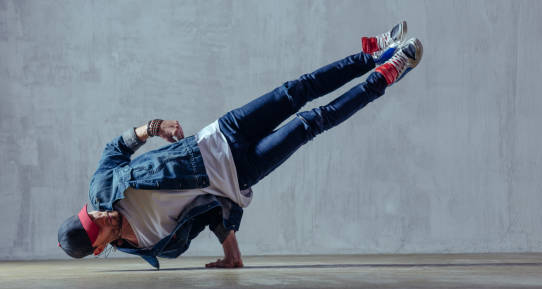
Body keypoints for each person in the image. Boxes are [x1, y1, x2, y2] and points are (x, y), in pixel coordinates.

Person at [58, 21, 423, 269]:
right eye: (98, 226)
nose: (101, 214)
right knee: (311, 122)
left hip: (219, 136)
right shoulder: (157, 248)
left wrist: (153, 127)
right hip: (239, 174)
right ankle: (386, 74)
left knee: (295, 90)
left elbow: (114, 149)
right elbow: (206, 214)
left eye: (92, 214)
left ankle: (374, 54)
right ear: (99, 248)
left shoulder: (101, 189)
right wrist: (231, 250)